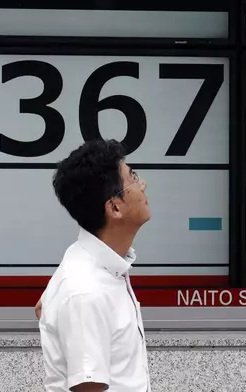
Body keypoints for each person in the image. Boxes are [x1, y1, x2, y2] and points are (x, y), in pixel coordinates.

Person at [36, 139, 152, 392]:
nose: (143, 184)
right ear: (114, 207)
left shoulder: (99, 265)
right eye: (133, 178)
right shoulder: (85, 290)